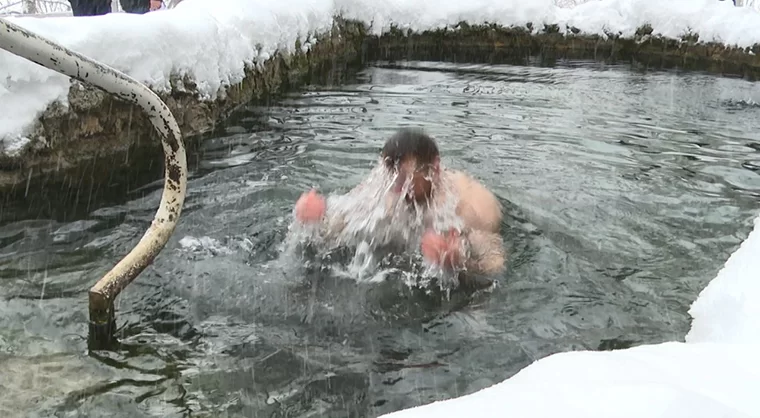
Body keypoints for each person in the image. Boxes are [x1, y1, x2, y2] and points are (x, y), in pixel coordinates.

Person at [293, 128, 506, 290]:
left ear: (435, 167)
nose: (398, 189)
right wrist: (315, 220)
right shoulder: (383, 184)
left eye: (405, 179)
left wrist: (457, 262)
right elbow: (337, 230)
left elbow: (494, 267)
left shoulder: (473, 205)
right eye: (393, 177)